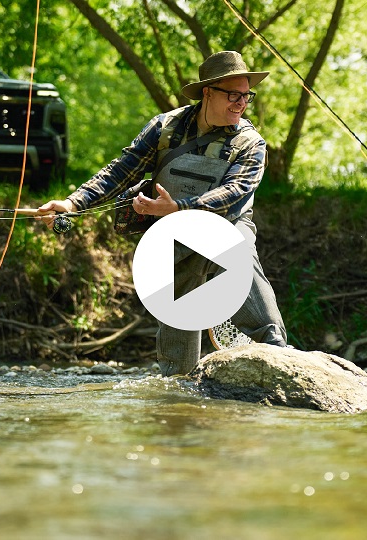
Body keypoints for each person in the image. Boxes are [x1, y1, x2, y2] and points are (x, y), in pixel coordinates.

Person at [29, 51, 289, 375]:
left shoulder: (251, 142)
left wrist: (180, 207)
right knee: (177, 372)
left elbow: (234, 195)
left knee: (236, 251)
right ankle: (178, 394)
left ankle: (279, 353)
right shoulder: (165, 127)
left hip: (226, 227)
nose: (241, 103)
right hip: (173, 236)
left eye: (246, 96)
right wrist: (73, 204)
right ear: (208, 92)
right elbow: (120, 171)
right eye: (233, 95)